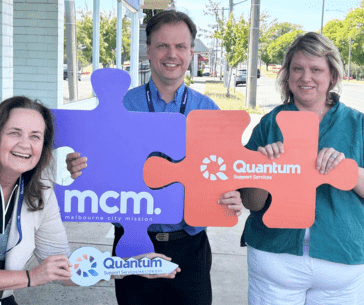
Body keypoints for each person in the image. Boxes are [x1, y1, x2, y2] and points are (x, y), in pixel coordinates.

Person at [65, 10, 243, 305]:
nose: (172, 54)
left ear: (190, 52)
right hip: (133, 244)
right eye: (163, 46)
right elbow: (95, 163)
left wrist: (231, 194)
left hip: (190, 246)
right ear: (148, 50)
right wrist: (77, 167)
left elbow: (224, 172)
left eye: (180, 46)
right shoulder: (121, 104)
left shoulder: (209, 110)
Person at [0, 96, 178, 305]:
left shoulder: (39, 190)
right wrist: (30, 277)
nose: (25, 144)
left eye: (35, 136)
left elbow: (64, 269)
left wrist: (133, 266)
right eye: (14, 133)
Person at [238, 32, 364, 305]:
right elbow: (252, 202)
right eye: (298, 68)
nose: (305, 77)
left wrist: (347, 169)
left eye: (316, 69)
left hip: (344, 260)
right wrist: (265, 170)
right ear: (287, 75)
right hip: (276, 258)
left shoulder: (358, 124)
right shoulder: (270, 124)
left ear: (332, 75)